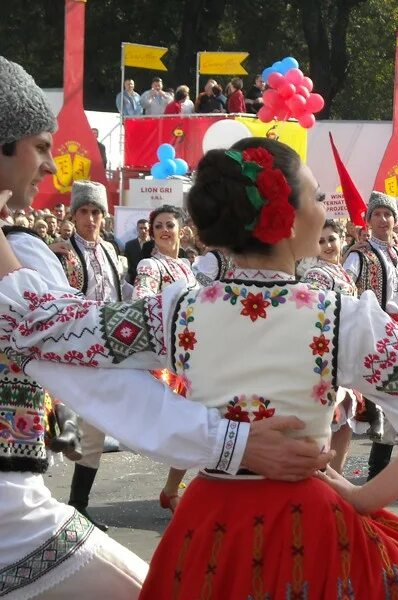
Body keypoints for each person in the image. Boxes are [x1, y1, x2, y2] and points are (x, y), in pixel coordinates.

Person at [0, 138, 398, 600]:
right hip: (309, 522)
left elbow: (49, 326)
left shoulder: (179, 309)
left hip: (207, 525)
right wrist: (365, 497)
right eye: (317, 197)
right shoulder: (342, 317)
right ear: (289, 219)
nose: (326, 210)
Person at [0, 58, 332, 599]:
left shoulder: (27, 252)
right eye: (40, 146)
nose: (50, 164)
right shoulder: (30, 263)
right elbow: (70, 350)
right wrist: (231, 442)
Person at [343, 191, 398, 479]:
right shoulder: (359, 255)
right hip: (375, 331)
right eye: (377, 214)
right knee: (383, 396)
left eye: (388, 214)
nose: (383, 219)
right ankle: (373, 470)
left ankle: (379, 472)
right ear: (368, 221)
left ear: (396, 220)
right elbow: (346, 289)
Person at [56, 180, 128, 530]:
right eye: (83, 211)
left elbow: (118, 294)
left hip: (105, 351)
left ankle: (78, 507)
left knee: (94, 434)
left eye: (96, 212)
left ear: (104, 216)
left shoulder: (111, 252)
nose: (90, 218)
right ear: (74, 215)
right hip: (72, 350)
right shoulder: (63, 252)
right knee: (57, 426)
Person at [132, 206, 198, 513]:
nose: (164, 230)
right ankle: (175, 491)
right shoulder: (150, 265)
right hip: (171, 358)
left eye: (169, 224)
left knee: (197, 424)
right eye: (158, 225)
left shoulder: (188, 266)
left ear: (182, 230)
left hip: (194, 356)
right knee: (191, 426)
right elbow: (142, 298)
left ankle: (172, 490)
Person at [301, 219, 360, 475]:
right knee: (328, 417)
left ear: (341, 240)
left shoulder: (343, 272)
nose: (327, 245)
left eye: (331, 239)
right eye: (321, 241)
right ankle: (321, 479)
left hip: (345, 351)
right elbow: (314, 316)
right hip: (326, 354)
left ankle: (335, 478)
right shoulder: (316, 274)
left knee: (345, 418)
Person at [124, 218, 150, 283]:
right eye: (141, 228)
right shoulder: (129, 245)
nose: (143, 231)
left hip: (151, 279)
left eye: (145, 228)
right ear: (137, 229)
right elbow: (128, 263)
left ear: (149, 228)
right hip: (134, 280)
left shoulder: (155, 244)